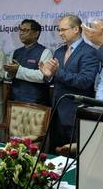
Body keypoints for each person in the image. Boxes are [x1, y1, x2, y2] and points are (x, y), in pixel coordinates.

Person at [39, 15, 99, 153]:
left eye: (63, 30)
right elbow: (54, 78)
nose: (60, 33)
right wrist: (48, 76)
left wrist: (57, 73)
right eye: (59, 30)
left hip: (75, 114)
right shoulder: (59, 51)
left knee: (74, 157)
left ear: (76, 29)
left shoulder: (90, 52)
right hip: (57, 113)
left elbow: (85, 81)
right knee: (55, 155)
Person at [4, 19, 52, 105]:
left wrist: (18, 70)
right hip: (16, 101)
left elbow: (42, 76)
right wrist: (9, 73)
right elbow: (7, 77)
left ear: (36, 34)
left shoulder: (45, 52)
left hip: (37, 103)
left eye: (25, 30)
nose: (21, 33)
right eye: (20, 30)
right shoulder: (15, 52)